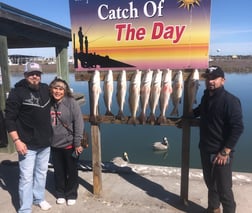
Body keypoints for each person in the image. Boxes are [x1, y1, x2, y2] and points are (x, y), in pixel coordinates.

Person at [193, 66, 244, 213]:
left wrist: (225, 151)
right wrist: (187, 116)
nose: (210, 81)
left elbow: (238, 128)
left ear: (223, 80)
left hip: (220, 152)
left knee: (224, 189)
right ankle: (213, 208)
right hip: (205, 148)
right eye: (208, 78)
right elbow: (200, 110)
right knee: (210, 184)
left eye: (214, 78)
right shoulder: (206, 97)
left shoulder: (231, 101)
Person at [5, 62, 52, 212]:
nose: (35, 76)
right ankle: (25, 208)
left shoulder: (45, 89)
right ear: (25, 75)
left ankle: (39, 198)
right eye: (31, 74)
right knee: (26, 178)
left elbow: (61, 92)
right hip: (26, 144)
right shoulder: (16, 93)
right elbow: (9, 119)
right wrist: (17, 141)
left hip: (45, 142)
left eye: (37, 74)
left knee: (41, 173)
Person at [49, 77, 84, 206]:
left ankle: (71, 193)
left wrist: (77, 143)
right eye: (55, 88)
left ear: (65, 91)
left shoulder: (71, 102)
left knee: (71, 170)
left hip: (69, 143)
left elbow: (78, 123)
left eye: (61, 89)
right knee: (58, 170)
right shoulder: (48, 102)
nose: (58, 91)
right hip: (54, 143)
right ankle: (60, 193)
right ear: (51, 89)